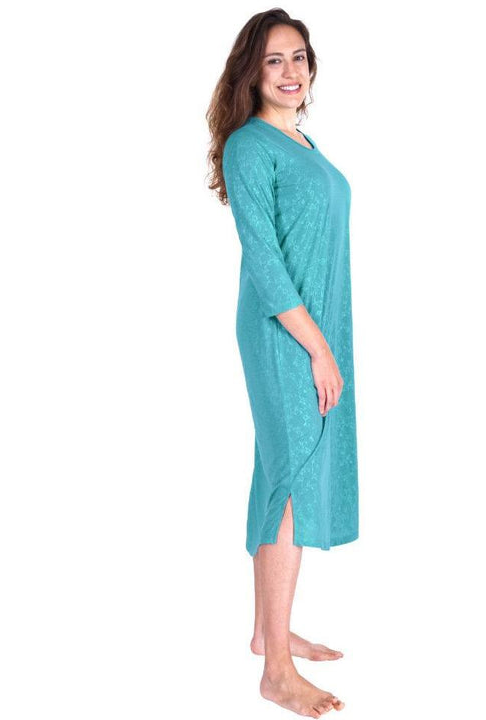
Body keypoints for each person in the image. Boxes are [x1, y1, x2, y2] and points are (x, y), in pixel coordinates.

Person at [206, 9, 358, 718]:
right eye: (274, 60)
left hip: (311, 328)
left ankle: (269, 632)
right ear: (252, 71)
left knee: (278, 474)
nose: (290, 71)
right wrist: (318, 347)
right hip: (284, 333)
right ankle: (277, 672)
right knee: (292, 480)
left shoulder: (301, 139)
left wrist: (326, 339)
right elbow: (265, 263)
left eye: (299, 57)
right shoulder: (249, 145)